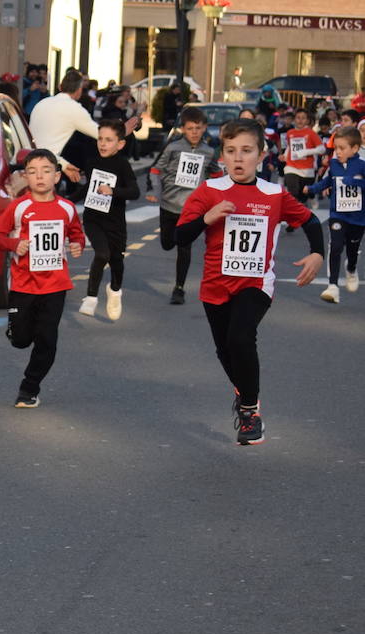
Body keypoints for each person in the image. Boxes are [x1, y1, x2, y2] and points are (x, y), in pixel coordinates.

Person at [174, 119, 324, 445]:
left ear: (261, 154)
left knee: (241, 338)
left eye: (246, 151)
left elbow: (310, 221)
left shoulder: (274, 194)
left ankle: (249, 411)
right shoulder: (209, 191)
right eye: (231, 151)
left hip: (255, 283)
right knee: (225, 351)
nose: (238, 158)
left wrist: (317, 254)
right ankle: (246, 392)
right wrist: (207, 218)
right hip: (215, 286)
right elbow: (179, 236)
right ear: (223, 157)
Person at [0, 149, 85, 408]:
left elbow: (77, 235)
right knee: (21, 340)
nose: (39, 176)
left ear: (56, 176)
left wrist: (77, 245)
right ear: (26, 178)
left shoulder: (67, 208)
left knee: (47, 340)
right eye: (32, 171)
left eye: (46, 171)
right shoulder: (19, 208)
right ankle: (15, 329)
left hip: (55, 284)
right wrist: (14, 244)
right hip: (23, 284)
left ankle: (28, 389)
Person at [147, 106, 223, 304]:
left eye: (198, 128)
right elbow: (156, 169)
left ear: (205, 127)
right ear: (183, 129)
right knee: (167, 244)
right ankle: (170, 238)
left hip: (191, 208)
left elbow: (215, 173)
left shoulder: (208, 152)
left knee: (184, 247)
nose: (195, 132)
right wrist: (156, 192)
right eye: (190, 128)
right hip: (169, 204)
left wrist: (216, 193)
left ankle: (179, 288)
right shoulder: (173, 148)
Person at [66, 120, 139, 319]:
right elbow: (87, 187)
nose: (103, 144)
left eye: (109, 140)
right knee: (102, 254)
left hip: (115, 222)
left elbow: (134, 191)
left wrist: (113, 191)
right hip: (93, 219)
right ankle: (91, 297)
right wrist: (66, 201)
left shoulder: (123, 165)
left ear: (120, 144)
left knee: (116, 260)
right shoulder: (92, 162)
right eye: (100, 139)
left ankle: (115, 291)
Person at [307, 126, 365, 303]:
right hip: (338, 214)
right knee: (336, 246)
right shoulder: (334, 164)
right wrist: (312, 189)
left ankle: (352, 268)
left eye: (342, 148)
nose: (337, 152)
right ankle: (332, 287)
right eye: (336, 148)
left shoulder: (362, 166)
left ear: (354, 148)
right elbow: (327, 181)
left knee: (352, 249)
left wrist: (356, 182)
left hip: (358, 217)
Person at [280, 107, 325, 204]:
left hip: (307, 171)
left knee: (303, 198)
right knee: (293, 193)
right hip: (291, 167)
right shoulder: (290, 133)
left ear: (308, 120)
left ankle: (305, 209)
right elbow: (289, 147)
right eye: (298, 117)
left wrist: (305, 152)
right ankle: (293, 215)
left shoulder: (311, 133)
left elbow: (322, 149)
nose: (300, 120)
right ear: (294, 119)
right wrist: (284, 155)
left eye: (303, 118)